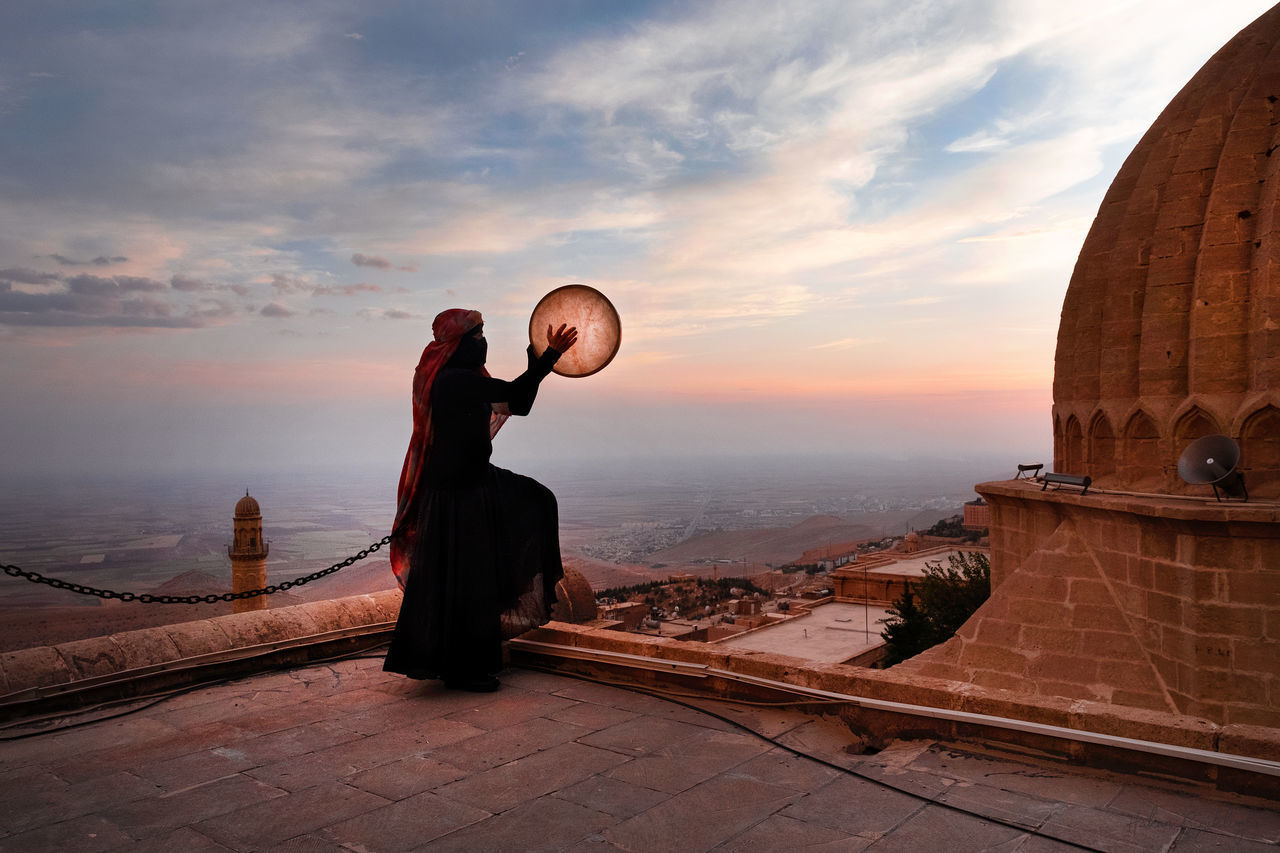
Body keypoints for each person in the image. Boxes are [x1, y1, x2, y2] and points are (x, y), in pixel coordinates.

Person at [384, 308, 578, 692]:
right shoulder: (451, 381)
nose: (483, 342)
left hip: (476, 482)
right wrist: (548, 358)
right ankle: (463, 669)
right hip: (456, 493)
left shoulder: (468, 378)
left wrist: (535, 359)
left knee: (537, 501)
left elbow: (518, 402)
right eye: (478, 335)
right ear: (459, 343)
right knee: (467, 579)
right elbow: (511, 392)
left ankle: (473, 655)